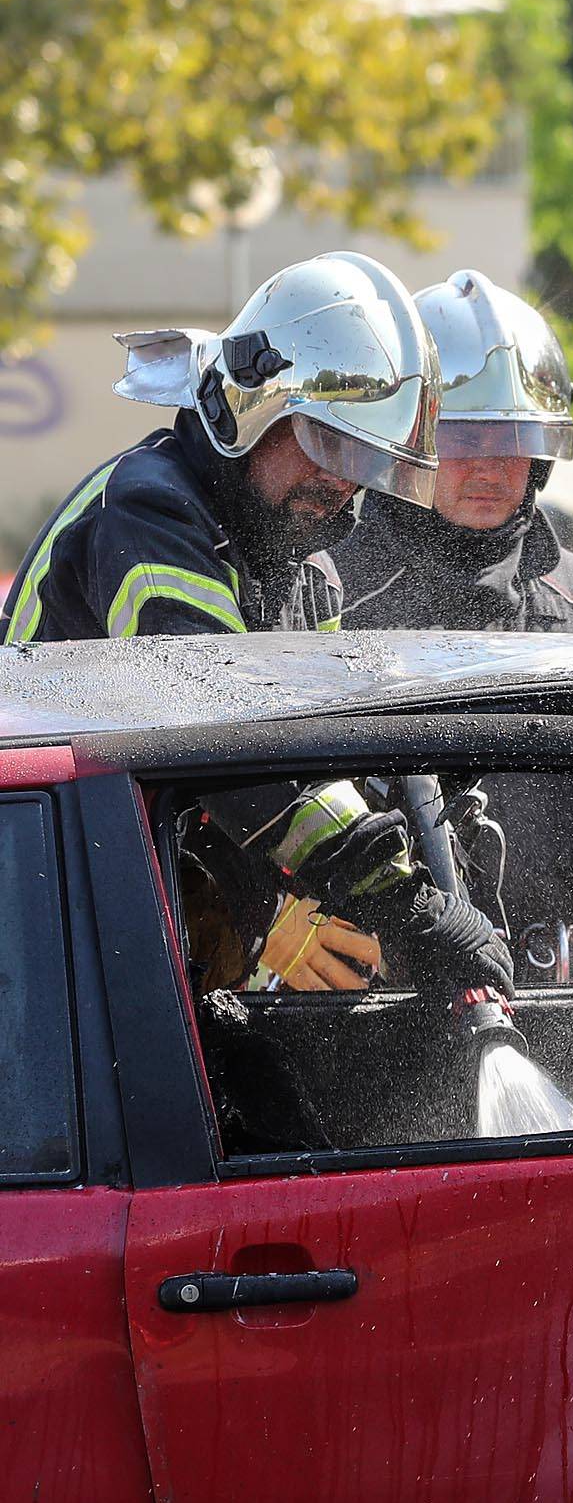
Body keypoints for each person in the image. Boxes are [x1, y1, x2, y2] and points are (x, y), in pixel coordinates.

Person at [2, 252, 511, 1002]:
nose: (341, 483)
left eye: (364, 459)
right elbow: (212, 734)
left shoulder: (303, 563)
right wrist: (401, 905)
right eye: (329, 443)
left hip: (146, 901)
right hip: (51, 908)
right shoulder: (151, 511)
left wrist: (432, 849)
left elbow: (327, 750)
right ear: (250, 408)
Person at [334, 268, 573, 985]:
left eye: (513, 436)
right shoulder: (323, 596)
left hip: (556, 991)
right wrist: (267, 921)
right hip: (359, 999)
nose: (490, 465)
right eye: (464, 437)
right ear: (405, 440)